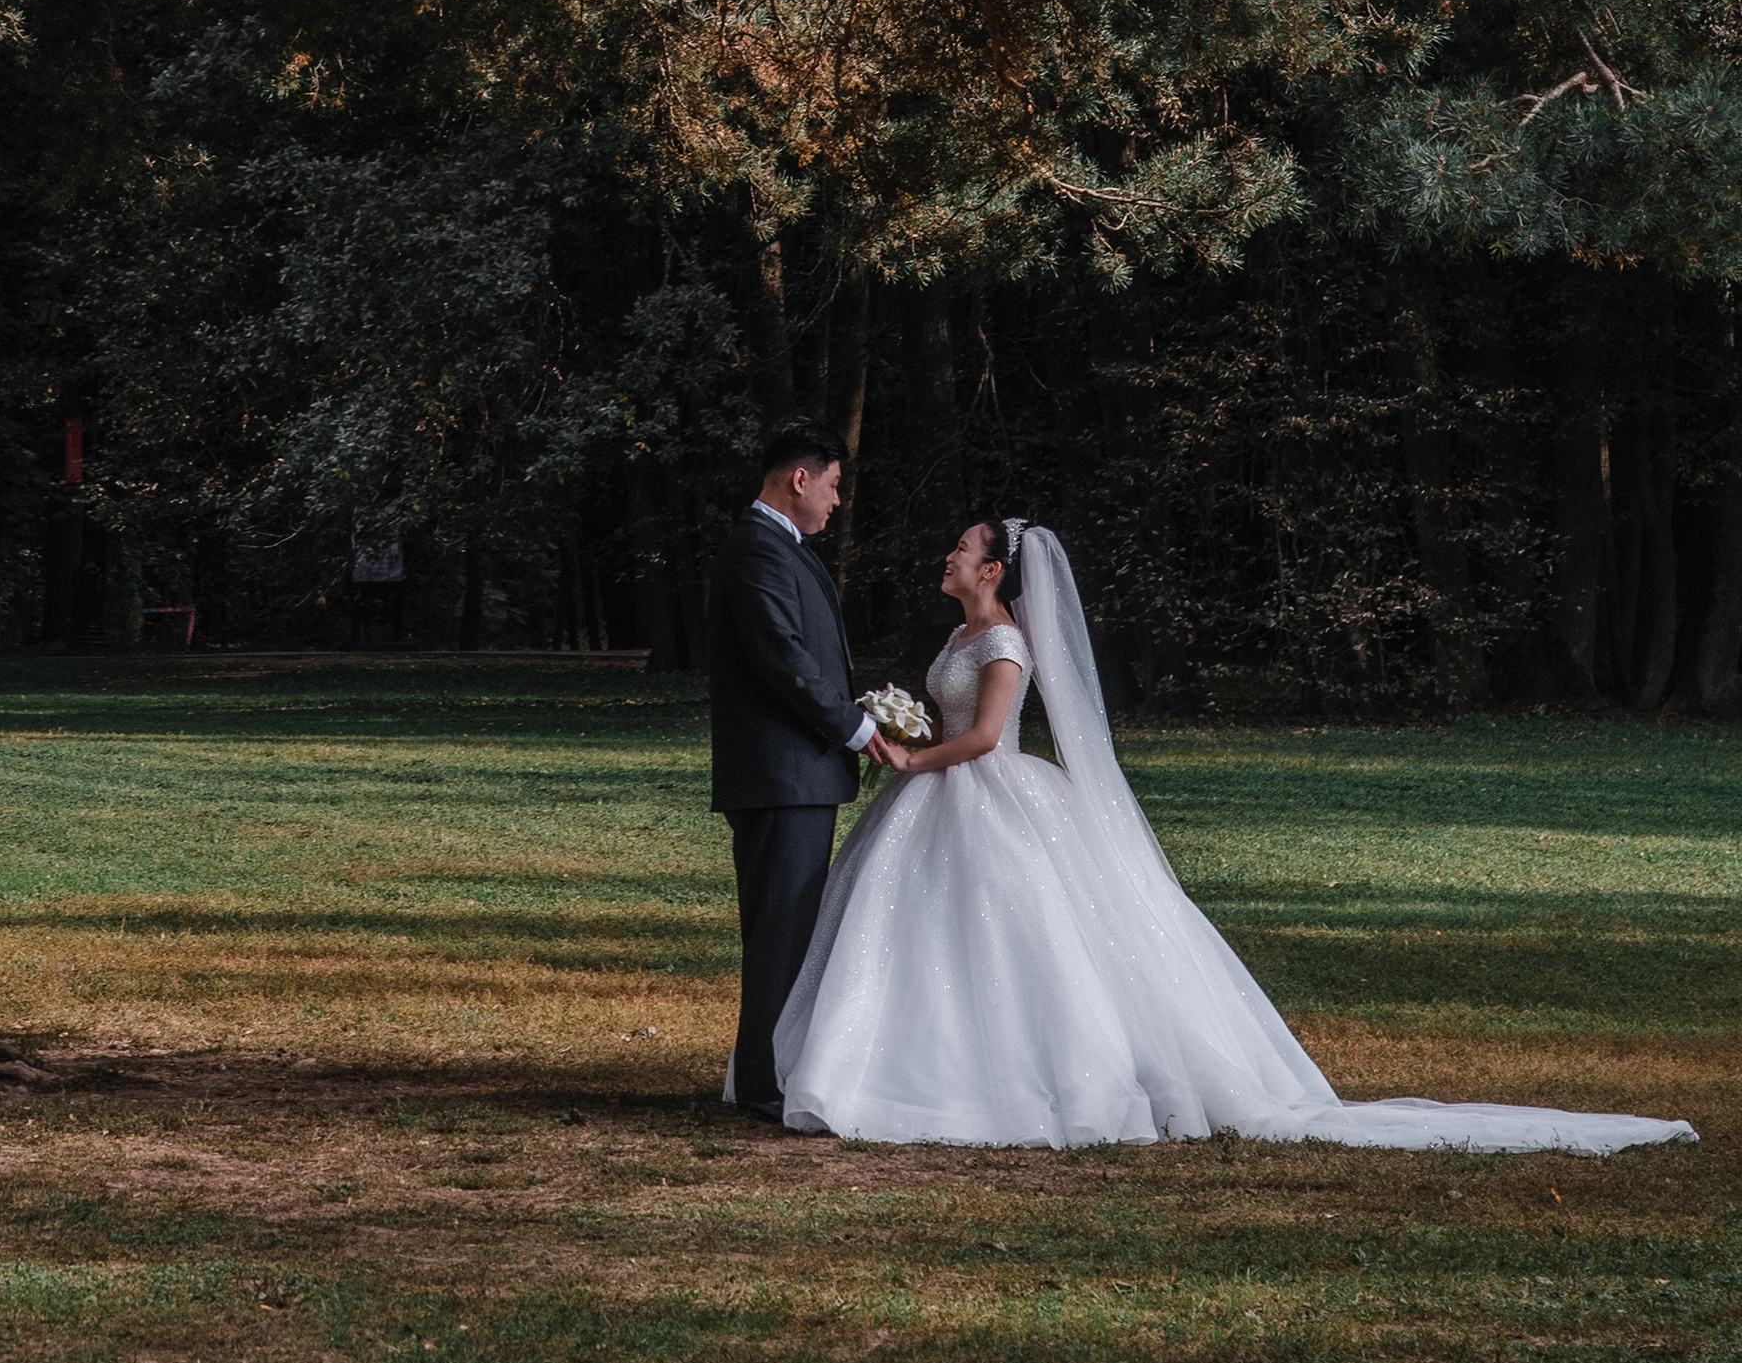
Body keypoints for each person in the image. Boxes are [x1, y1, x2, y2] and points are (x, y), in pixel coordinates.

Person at [770, 516, 1697, 1156]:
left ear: (996, 569)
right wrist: (914, 737)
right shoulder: (956, 634)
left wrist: (911, 760)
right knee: (928, 934)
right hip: (943, 797)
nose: (948, 557)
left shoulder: (1005, 643)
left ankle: (1015, 1081)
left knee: (1022, 937)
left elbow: (982, 737)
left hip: (988, 791)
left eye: (960, 550)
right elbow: (952, 717)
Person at [707, 417, 895, 1125]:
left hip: (793, 775)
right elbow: (783, 656)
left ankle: (771, 1071)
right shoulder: (758, 549)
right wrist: (854, 724)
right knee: (780, 930)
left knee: (787, 928)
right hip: (781, 777)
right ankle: (764, 1084)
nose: (837, 500)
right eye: (834, 484)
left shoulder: (779, 546)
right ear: (801, 478)